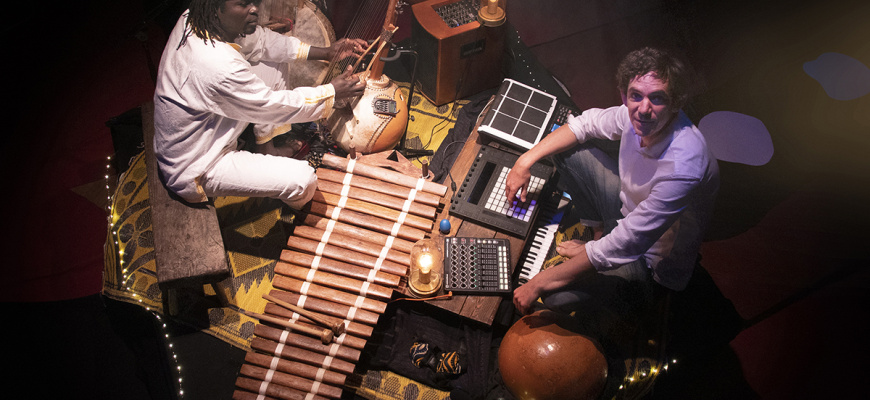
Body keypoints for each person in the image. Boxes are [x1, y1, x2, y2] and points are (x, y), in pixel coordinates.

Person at [506, 47, 719, 329]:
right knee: (566, 148)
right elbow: (584, 125)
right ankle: (596, 236)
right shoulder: (633, 115)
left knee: (555, 297)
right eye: (635, 96)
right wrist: (524, 161)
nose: (643, 109)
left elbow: (629, 241)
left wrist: (540, 282)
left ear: (675, 103)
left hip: (650, 262)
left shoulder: (684, 166)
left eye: (657, 99)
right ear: (624, 94)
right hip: (624, 215)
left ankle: (630, 295)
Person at [153, 0, 367, 209]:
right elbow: (275, 107)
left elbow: (262, 42)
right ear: (215, 8)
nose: (255, 9)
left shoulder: (196, 18)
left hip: (204, 128)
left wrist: (327, 52)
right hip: (197, 163)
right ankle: (295, 213)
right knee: (303, 180)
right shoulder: (217, 65)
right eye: (243, 4)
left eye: (255, 1)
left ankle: (267, 149)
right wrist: (331, 92)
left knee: (276, 62)